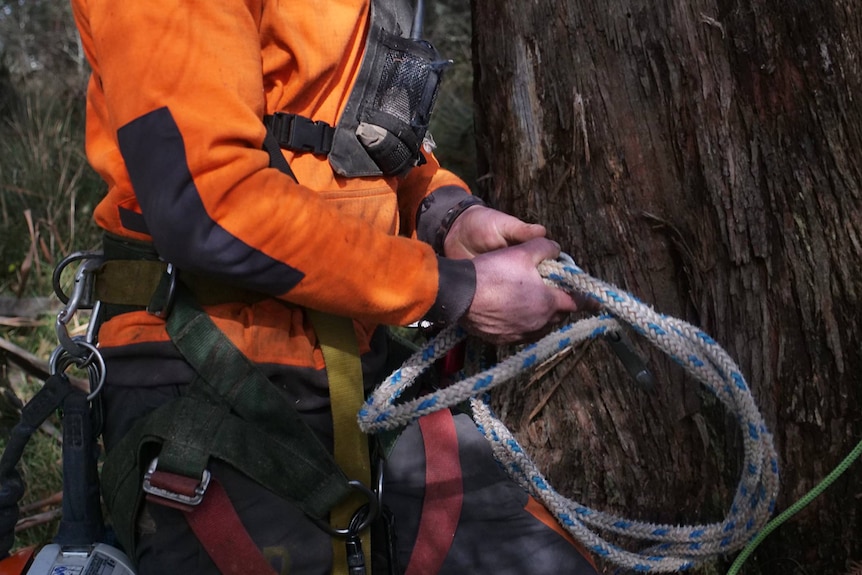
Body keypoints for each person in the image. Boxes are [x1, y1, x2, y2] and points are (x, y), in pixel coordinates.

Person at [69, 0, 600, 573]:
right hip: (208, 370)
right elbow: (208, 202)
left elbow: (349, 135)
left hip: (358, 368)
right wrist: (450, 288)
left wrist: (443, 213)